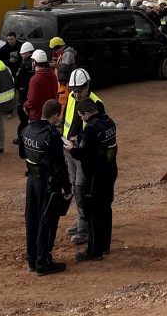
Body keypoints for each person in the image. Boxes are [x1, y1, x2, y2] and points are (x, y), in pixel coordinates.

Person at [22, 99, 71, 276]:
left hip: (31, 181)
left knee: (31, 218)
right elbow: (60, 166)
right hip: (47, 184)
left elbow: (22, 153)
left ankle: (32, 258)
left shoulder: (27, 130)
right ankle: (42, 263)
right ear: (56, 116)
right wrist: (67, 187)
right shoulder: (52, 136)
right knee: (46, 221)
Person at [67, 97, 118, 262]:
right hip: (109, 171)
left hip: (95, 176)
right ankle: (104, 247)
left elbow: (82, 154)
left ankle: (94, 250)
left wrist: (72, 148)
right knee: (106, 210)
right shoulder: (109, 122)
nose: (81, 119)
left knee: (93, 213)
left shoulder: (91, 129)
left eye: (81, 116)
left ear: (87, 114)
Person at [61, 68, 105, 246]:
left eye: (80, 90)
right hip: (69, 151)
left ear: (88, 86)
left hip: (84, 155)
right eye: (74, 90)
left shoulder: (96, 104)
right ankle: (81, 220)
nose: (76, 94)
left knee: (82, 189)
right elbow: (67, 121)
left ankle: (85, 227)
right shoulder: (72, 98)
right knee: (74, 186)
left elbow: (97, 133)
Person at [24, 50, 59, 122]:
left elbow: (32, 100)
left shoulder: (35, 79)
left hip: (37, 116)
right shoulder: (53, 75)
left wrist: (25, 106)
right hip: (50, 116)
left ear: (35, 62)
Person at [14, 42, 37, 149]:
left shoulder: (24, 65)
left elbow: (17, 80)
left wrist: (17, 87)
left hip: (24, 95)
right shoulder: (36, 64)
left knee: (23, 119)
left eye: (23, 54)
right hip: (35, 95)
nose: (22, 56)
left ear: (28, 53)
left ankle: (21, 139)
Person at [50, 37, 77, 104]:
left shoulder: (68, 53)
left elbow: (64, 68)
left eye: (56, 49)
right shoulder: (64, 53)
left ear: (60, 47)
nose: (56, 51)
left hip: (66, 84)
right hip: (63, 84)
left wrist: (54, 65)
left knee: (64, 103)